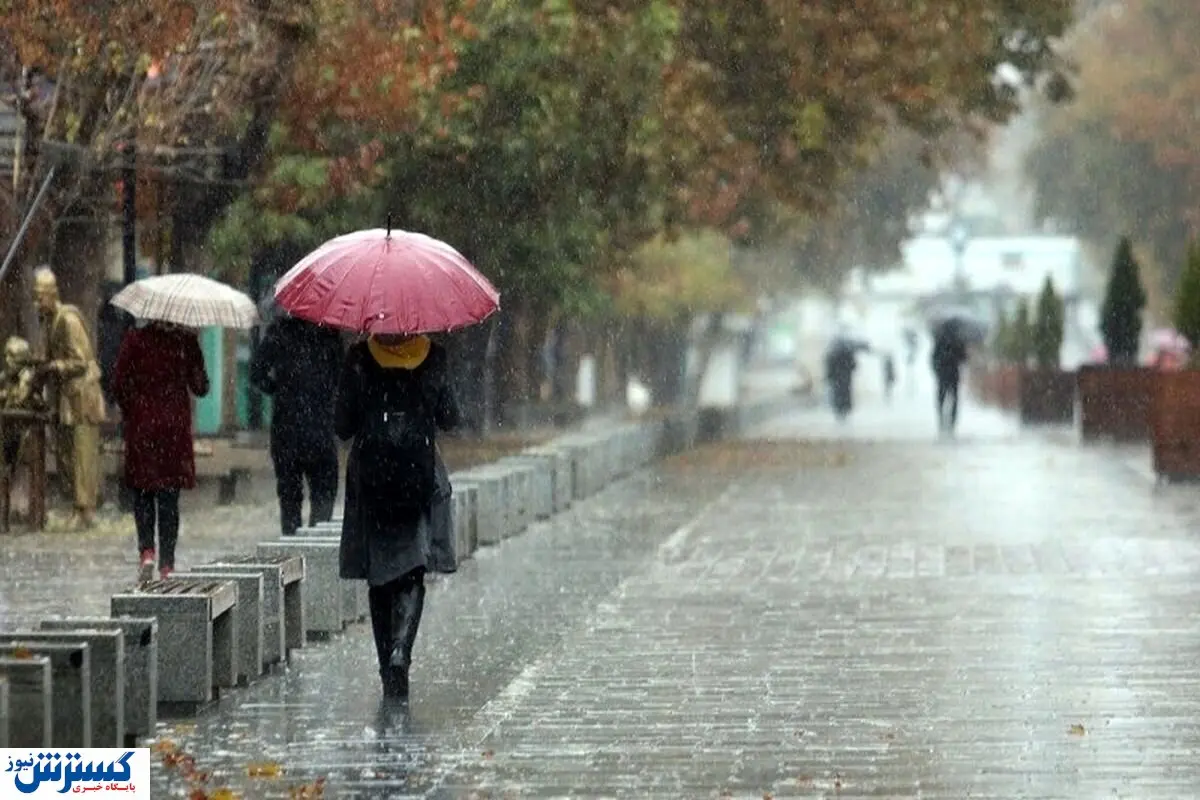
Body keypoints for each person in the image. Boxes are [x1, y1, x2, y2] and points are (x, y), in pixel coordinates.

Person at [335, 331, 460, 700]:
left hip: (372, 481)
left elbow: (342, 425)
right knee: (412, 571)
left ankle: (386, 669)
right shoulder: (433, 356)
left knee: (380, 576)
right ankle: (401, 652)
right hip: (416, 476)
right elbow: (451, 418)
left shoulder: (359, 358)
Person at [111, 321, 209, 582]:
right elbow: (201, 387)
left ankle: (147, 552)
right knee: (169, 498)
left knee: (142, 493)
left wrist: (134, 408)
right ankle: (167, 564)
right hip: (173, 430)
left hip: (142, 427)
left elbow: (119, 382)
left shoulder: (135, 340)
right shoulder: (184, 342)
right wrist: (195, 357)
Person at [250, 315, 344, 536]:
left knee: (289, 496)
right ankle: (315, 547)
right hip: (321, 426)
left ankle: (292, 548)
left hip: (287, 427)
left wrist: (280, 389)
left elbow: (257, 373)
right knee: (324, 492)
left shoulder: (279, 331)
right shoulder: (330, 334)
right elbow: (342, 378)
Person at [32, 267, 107, 529]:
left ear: (52, 295)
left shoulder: (68, 319)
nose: (37, 302)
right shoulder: (50, 321)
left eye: (40, 297)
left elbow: (81, 360)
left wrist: (55, 366)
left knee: (82, 453)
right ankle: (78, 506)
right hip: (68, 397)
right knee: (69, 454)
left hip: (82, 396)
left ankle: (85, 510)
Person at [931, 321, 970, 434]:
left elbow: (934, 358)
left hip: (942, 375)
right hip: (953, 374)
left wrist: (936, 370)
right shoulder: (958, 341)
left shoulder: (939, 340)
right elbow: (963, 358)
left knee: (941, 399)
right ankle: (952, 423)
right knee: (954, 399)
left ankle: (941, 420)